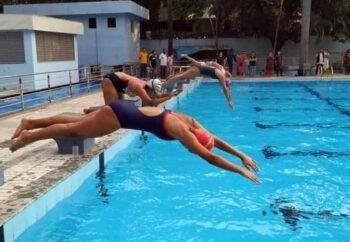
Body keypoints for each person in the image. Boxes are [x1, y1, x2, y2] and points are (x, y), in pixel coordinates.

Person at [10, 100, 260, 183]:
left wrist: (241, 154)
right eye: (190, 147)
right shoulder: (182, 131)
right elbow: (210, 156)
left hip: (124, 109)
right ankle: (28, 137)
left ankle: (30, 122)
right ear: (192, 141)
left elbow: (214, 141)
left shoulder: (192, 123)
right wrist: (239, 171)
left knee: (74, 121)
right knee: (75, 130)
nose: (188, 149)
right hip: (120, 116)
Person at [83, 72, 180, 113]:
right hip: (111, 80)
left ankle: (91, 110)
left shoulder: (147, 87)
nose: (154, 94)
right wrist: (169, 97)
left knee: (118, 108)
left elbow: (158, 96)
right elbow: (150, 102)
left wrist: (172, 94)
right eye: (153, 92)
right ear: (150, 88)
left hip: (119, 84)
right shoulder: (139, 87)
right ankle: (90, 111)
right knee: (112, 108)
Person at [163, 55, 234, 108]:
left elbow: (212, 63)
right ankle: (164, 84)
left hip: (198, 68)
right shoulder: (221, 76)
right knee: (181, 76)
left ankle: (169, 79)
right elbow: (225, 89)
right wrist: (229, 101)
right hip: (198, 71)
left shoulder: (221, 69)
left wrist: (187, 56)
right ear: (225, 79)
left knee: (181, 75)